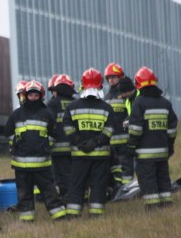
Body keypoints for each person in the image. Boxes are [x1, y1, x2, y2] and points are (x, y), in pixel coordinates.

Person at [4, 80, 66, 222]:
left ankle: (59, 217)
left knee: (49, 191)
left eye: (35, 95)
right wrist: (16, 144)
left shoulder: (47, 114)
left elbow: (53, 134)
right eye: (30, 95)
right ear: (25, 96)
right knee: (24, 193)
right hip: (21, 165)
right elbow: (8, 133)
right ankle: (27, 218)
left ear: (41, 96)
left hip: (42, 164)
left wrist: (46, 147)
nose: (33, 98)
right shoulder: (16, 114)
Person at [62, 68, 115, 218]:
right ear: (100, 86)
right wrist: (97, 141)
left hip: (79, 156)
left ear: (82, 85)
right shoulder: (107, 108)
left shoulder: (72, 107)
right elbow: (110, 129)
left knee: (76, 186)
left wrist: (78, 142)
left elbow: (67, 126)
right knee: (98, 187)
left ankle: (73, 215)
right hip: (101, 156)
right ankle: (95, 216)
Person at [127, 67, 178, 209]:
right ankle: (167, 203)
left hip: (145, 154)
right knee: (163, 178)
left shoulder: (139, 102)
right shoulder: (165, 103)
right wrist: (170, 145)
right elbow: (172, 129)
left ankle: (153, 206)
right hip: (162, 152)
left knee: (148, 179)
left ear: (138, 85)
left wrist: (131, 145)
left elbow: (136, 128)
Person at [46, 74, 76, 202]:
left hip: (58, 149)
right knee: (76, 174)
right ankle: (78, 198)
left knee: (62, 177)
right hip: (76, 147)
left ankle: (67, 199)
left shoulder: (53, 103)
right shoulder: (76, 103)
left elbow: (48, 124)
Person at [103, 63, 129, 192]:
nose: (111, 80)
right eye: (109, 78)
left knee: (126, 166)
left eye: (114, 77)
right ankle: (117, 189)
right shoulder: (106, 98)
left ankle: (128, 190)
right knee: (115, 167)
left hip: (125, 139)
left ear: (120, 77)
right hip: (111, 141)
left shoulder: (126, 95)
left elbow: (131, 115)